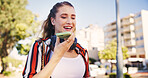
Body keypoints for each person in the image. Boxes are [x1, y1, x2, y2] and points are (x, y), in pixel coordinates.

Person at [22, 1, 90, 78]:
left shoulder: (82, 51)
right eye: (64, 17)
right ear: (53, 21)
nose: (69, 22)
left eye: (73, 18)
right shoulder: (40, 47)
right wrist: (57, 56)